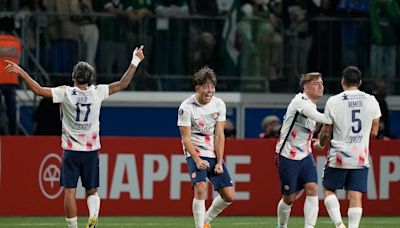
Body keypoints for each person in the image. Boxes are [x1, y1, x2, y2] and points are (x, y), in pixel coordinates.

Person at [5, 45, 145, 228]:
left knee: (70, 192)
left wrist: (20, 71)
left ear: (73, 77)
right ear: (90, 79)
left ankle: (73, 227)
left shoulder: (65, 93)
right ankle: (93, 216)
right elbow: (122, 84)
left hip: (71, 151)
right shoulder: (98, 92)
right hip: (91, 150)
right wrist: (135, 60)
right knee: (92, 190)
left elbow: (38, 90)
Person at [313, 66, 381, 228]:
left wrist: (320, 144)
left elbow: (326, 131)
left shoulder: (334, 101)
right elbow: (375, 131)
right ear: (360, 82)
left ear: (342, 81)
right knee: (355, 195)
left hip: (339, 154)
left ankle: (339, 224)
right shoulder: (371, 100)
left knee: (329, 189)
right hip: (360, 155)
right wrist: (362, 138)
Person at [177, 67, 235, 228]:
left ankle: (205, 221)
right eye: (206, 87)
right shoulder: (186, 107)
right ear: (197, 88)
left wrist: (219, 161)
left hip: (212, 150)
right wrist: (197, 159)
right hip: (195, 150)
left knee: (229, 196)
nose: (210, 91)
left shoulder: (219, 104)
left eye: (212, 87)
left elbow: (219, 135)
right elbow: (186, 138)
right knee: (201, 187)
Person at [274, 72, 327, 228]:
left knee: (312, 188)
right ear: (305, 86)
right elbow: (320, 118)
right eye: (316, 83)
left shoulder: (312, 105)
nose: (321, 86)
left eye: (322, 83)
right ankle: (281, 225)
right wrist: (337, 117)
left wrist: (318, 143)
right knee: (289, 198)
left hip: (305, 155)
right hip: (287, 154)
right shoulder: (300, 101)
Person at [0, 16, 22, 135]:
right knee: (11, 110)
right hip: (12, 80)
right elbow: (17, 59)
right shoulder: (17, 43)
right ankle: (13, 134)